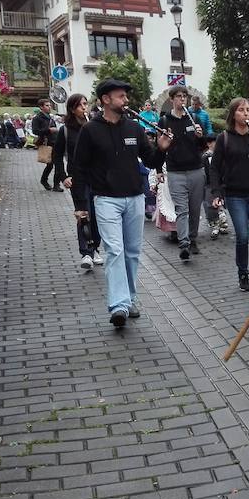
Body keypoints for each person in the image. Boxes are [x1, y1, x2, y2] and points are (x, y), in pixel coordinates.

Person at [71, 78, 170, 328]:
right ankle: (118, 306)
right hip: (105, 199)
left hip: (135, 197)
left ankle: (130, 298)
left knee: (132, 252)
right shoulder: (90, 130)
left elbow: (149, 160)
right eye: (121, 97)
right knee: (114, 250)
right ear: (106, 99)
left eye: (126, 97)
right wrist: (81, 204)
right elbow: (79, 168)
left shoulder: (134, 128)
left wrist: (161, 149)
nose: (126, 101)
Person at [209, 97, 249, 292]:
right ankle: (243, 274)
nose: (246, 113)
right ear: (233, 114)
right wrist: (217, 192)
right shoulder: (224, 138)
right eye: (241, 110)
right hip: (235, 194)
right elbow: (215, 168)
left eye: (248, 110)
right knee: (243, 236)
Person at [54, 93, 103, 271]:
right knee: (83, 215)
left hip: (96, 177)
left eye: (86, 104)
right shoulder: (65, 130)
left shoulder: (93, 126)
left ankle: (95, 248)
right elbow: (57, 155)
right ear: (73, 108)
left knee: (97, 216)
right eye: (81, 104)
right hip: (78, 178)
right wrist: (63, 176)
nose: (85, 107)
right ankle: (86, 252)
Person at [158, 86, 206, 262]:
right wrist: (158, 171)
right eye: (179, 97)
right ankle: (184, 243)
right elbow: (160, 147)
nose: (182, 100)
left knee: (194, 209)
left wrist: (200, 136)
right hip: (175, 171)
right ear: (172, 99)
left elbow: (202, 147)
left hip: (195, 169)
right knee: (181, 210)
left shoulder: (193, 118)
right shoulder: (164, 120)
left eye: (184, 97)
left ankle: (192, 238)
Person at [202, 133, 230, 240]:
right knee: (211, 205)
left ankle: (222, 221)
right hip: (210, 184)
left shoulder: (224, 154)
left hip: (222, 183)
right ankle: (215, 224)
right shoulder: (205, 157)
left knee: (222, 203)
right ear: (209, 144)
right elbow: (205, 172)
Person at [33, 99, 61, 191]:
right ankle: (45, 180)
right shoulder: (37, 118)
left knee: (56, 164)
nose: (49, 107)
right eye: (47, 105)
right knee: (51, 164)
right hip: (47, 143)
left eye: (49, 105)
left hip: (55, 142)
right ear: (41, 107)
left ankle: (55, 185)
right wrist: (49, 130)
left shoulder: (50, 117)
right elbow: (35, 131)